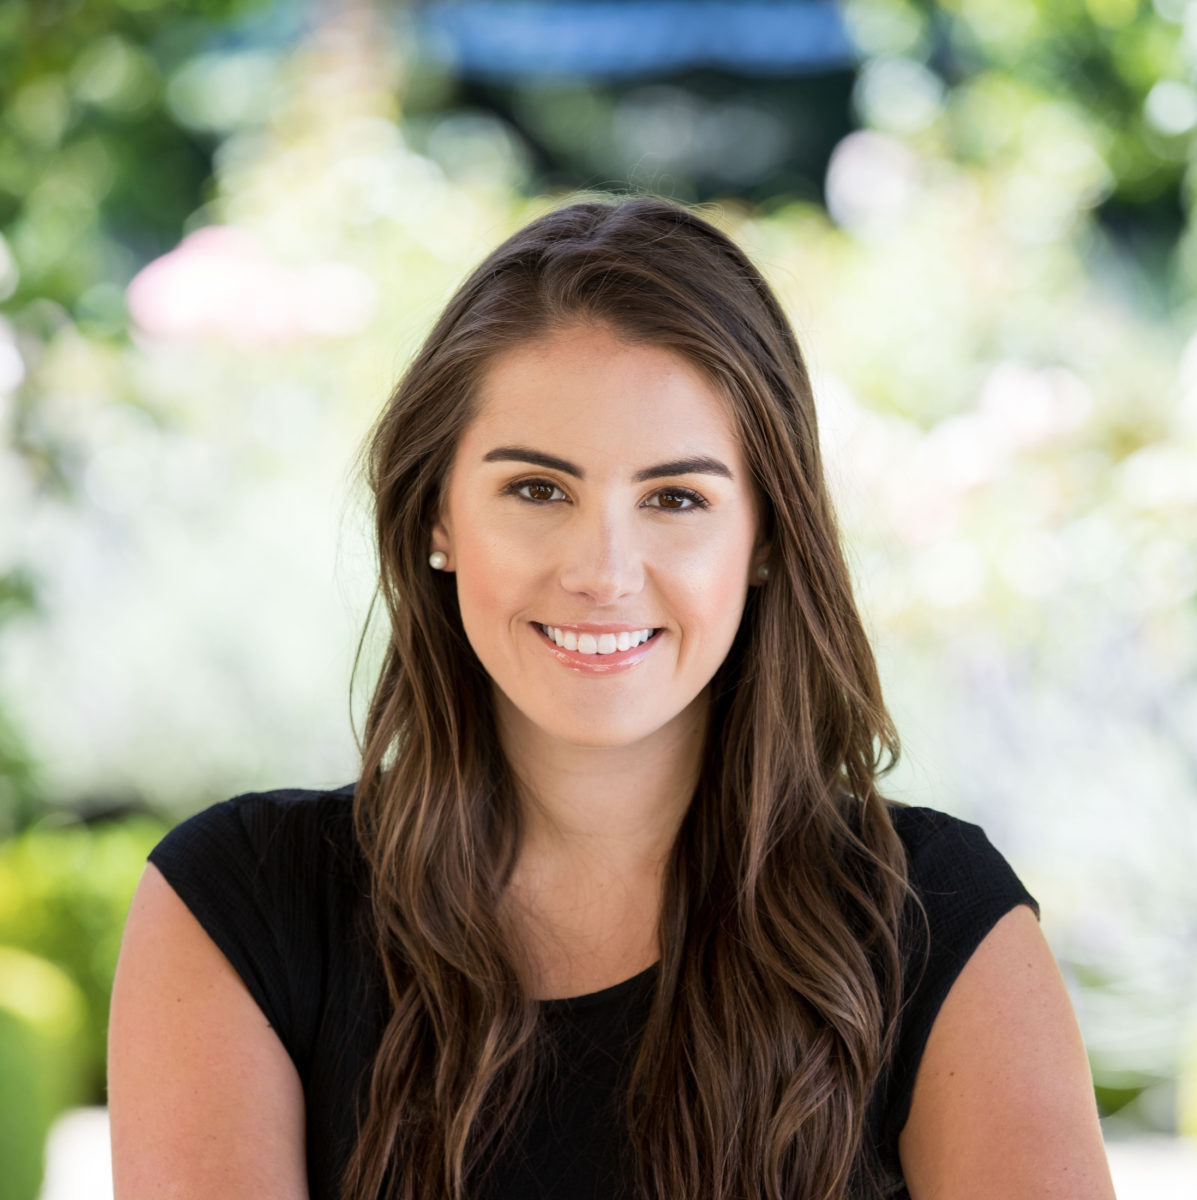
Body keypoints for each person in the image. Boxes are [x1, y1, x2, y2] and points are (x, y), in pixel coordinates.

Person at [107, 196, 1116, 1200]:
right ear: (436, 518)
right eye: (538, 491)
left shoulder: (939, 926)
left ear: (764, 539)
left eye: (676, 499)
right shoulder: (238, 912)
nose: (604, 571)